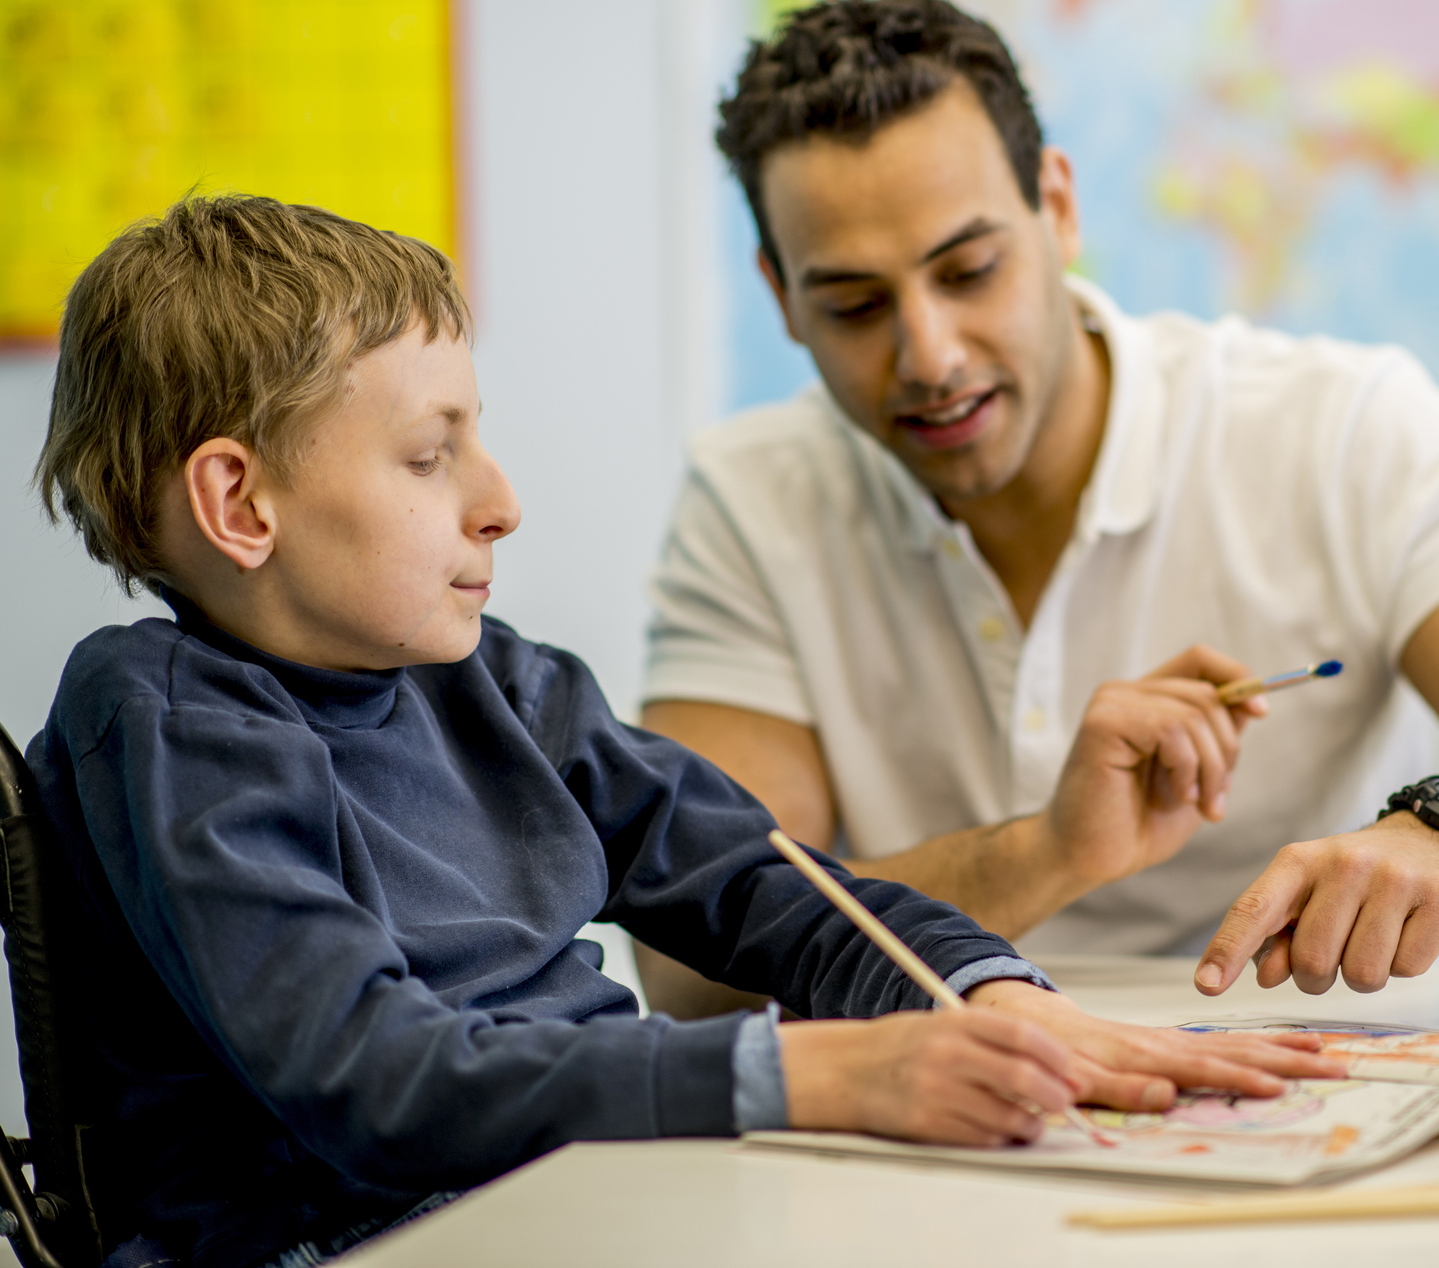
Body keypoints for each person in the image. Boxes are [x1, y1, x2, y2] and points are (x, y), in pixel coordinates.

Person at [25, 196, 1331, 1268]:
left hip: (579, 1200)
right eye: (431, 456)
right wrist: (823, 1076)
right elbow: (380, 1084)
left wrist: (987, 999)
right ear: (237, 501)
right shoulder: (161, 719)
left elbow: (769, 882)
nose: (500, 501)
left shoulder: (499, 680)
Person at [638, 0, 1439, 1019]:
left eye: (969, 271)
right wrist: (1046, 850)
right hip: (946, 1102)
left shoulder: (1343, 426)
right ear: (780, 295)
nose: (929, 356)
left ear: (1056, 208)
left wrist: (1425, 822)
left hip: (1321, 1087)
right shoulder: (748, 500)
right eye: (852, 305)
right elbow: (691, 966)